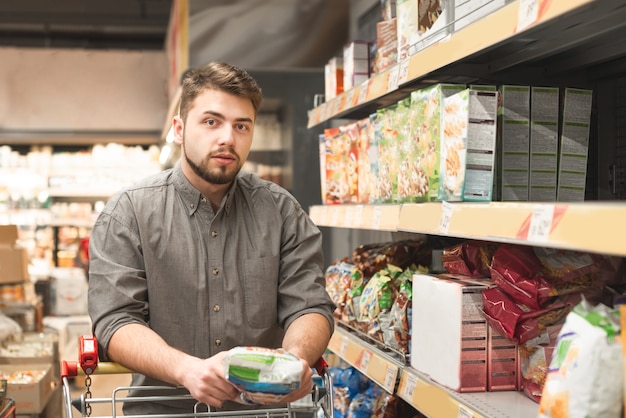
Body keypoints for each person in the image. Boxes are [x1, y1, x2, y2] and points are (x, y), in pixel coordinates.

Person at [87, 61, 336, 414]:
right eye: (211, 122)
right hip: (163, 408)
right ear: (179, 128)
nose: (227, 138)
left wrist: (294, 361)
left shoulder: (282, 212)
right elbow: (115, 321)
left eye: (241, 126)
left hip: (261, 411)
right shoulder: (128, 213)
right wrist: (186, 370)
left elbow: (309, 305)